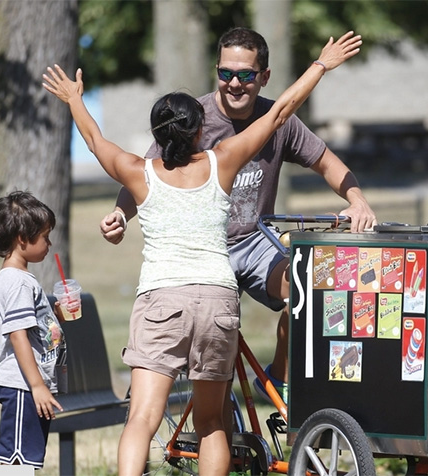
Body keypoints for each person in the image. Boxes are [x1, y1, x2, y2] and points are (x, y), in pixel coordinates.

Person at [42, 30, 361, 476]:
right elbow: (282, 110)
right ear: (199, 132)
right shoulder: (222, 161)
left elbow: (95, 140)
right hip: (216, 299)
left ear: (158, 133)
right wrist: (320, 66)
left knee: (141, 419)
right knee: (213, 423)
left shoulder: (139, 172)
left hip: (161, 301)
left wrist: (75, 99)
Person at [100, 27, 377, 403]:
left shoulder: (278, 119)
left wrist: (357, 198)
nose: (234, 83)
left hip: (257, 243)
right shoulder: (192, 121)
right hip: (205, 253)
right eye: (225, 73)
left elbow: (327, 163)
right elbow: (145, 173)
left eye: (245, 75)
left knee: (311, 293)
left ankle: (277, 378)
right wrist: (120, 213)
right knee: (209, 367)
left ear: (264, 76)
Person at [0, 190, 66, 468]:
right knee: (17, 464)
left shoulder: (20, 279)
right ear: (22, 239)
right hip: (23, 387)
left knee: (26, 462)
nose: (49, 243)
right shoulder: (17, 282)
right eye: (45, 236)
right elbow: (17, 334)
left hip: (30, 387)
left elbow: (31, 329)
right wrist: (37, 386)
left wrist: (55, 317)